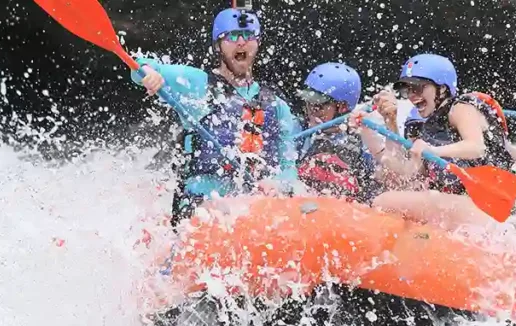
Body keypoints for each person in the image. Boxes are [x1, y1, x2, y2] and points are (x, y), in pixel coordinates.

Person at [132, 6, 301, 227]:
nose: (241, 42)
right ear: (218, 46)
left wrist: (278, 184)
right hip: (200, 204)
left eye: (248, 36)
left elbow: (289, 167)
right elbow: (138, 67)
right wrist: (149, 73)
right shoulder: (197, 84)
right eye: (232, 36)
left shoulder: (277, 105)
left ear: (258, 43)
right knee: (219, 213)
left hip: (253, 208)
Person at [349, 53, 514, 227]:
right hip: (462, 204)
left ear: (441, 89)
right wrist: (386, 122)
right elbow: (405, 177)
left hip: (489, 206)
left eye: (417, 88)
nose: (411, 95)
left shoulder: (460, 108)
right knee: (391, 190)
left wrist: (434, 150)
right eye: (407, 90)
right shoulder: (423, 127)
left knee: (384, 202)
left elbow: (476, 147)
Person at [295, 62, 378, 203]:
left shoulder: (362, 142)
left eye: (318, 105)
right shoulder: (298, 129)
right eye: (308, 102)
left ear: (342, 107)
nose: (310, 110)